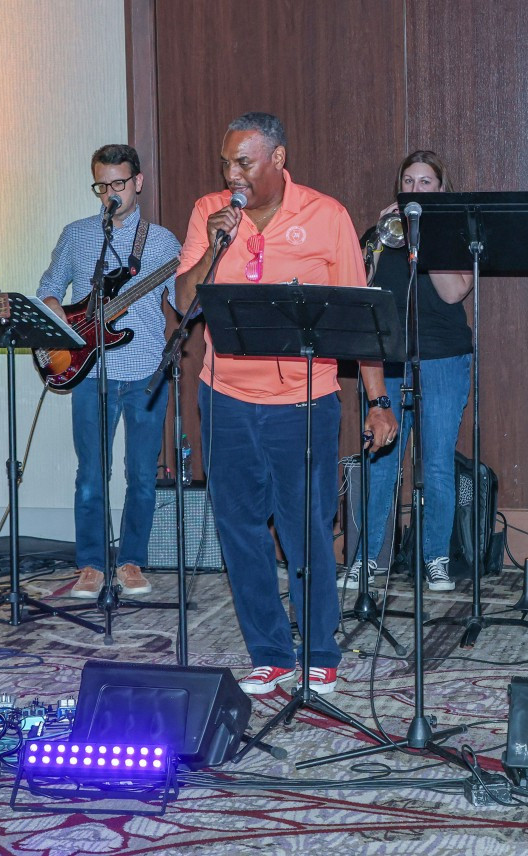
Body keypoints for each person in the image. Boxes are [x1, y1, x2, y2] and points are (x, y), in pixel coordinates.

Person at [175, 112, 398, 696]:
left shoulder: (327, 216)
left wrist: (377, 400)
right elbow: (183, 301)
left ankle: (320, 647)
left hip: (304, 402)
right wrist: (216, 244)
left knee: (306, 529)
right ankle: (270, 652)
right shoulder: (209, 212)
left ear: (277, 159)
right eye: (226, 162)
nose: (232, 173)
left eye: (243, 162)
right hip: (224, 398)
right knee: (240, 530)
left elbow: (360, 320)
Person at [37, 144, 181, 600]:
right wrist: (61, 317)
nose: (111, 194)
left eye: (119, 184)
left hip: (144, 373)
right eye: (103, 186)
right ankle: (92, 564)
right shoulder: (79, 235)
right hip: (91, 371)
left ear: (138, 182)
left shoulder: (162, 242)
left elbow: (184, 299)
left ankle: (132, 560)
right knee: (90, 474)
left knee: (141, 474)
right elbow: (48, 289)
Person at [340, 151, 472, 594]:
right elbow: (357, 289)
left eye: (426, 183)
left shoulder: (455, 235)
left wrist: (427, 237)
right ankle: (365, 561)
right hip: (387, 360)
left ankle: (435, 558)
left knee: (436, 463)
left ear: (441, 189)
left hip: (443, 356)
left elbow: (453, 292)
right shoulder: (381, 234)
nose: (416, 190)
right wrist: (379, 238)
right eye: (409, 182)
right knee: (381, 462)